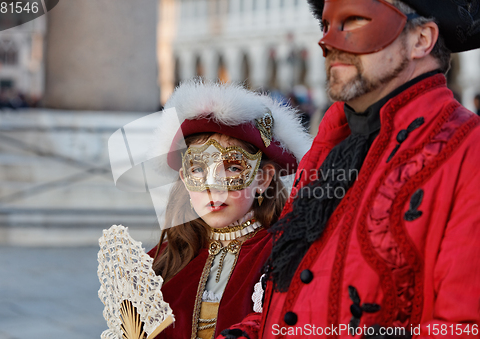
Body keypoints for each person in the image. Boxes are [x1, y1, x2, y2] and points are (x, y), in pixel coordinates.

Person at [218, 0, 480, 338]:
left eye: (354, 20)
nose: (327, 42)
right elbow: (293, 305)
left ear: (421, 40)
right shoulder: (329, 149)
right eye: (325, 25)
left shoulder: (467, 153)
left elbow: (463, 327)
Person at [148, 80, 312, 339]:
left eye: (234, 168)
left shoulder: (287, 255)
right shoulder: (158, 263)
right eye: (198, 169)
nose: (214, 187)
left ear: (263, 178)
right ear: (184, 177)